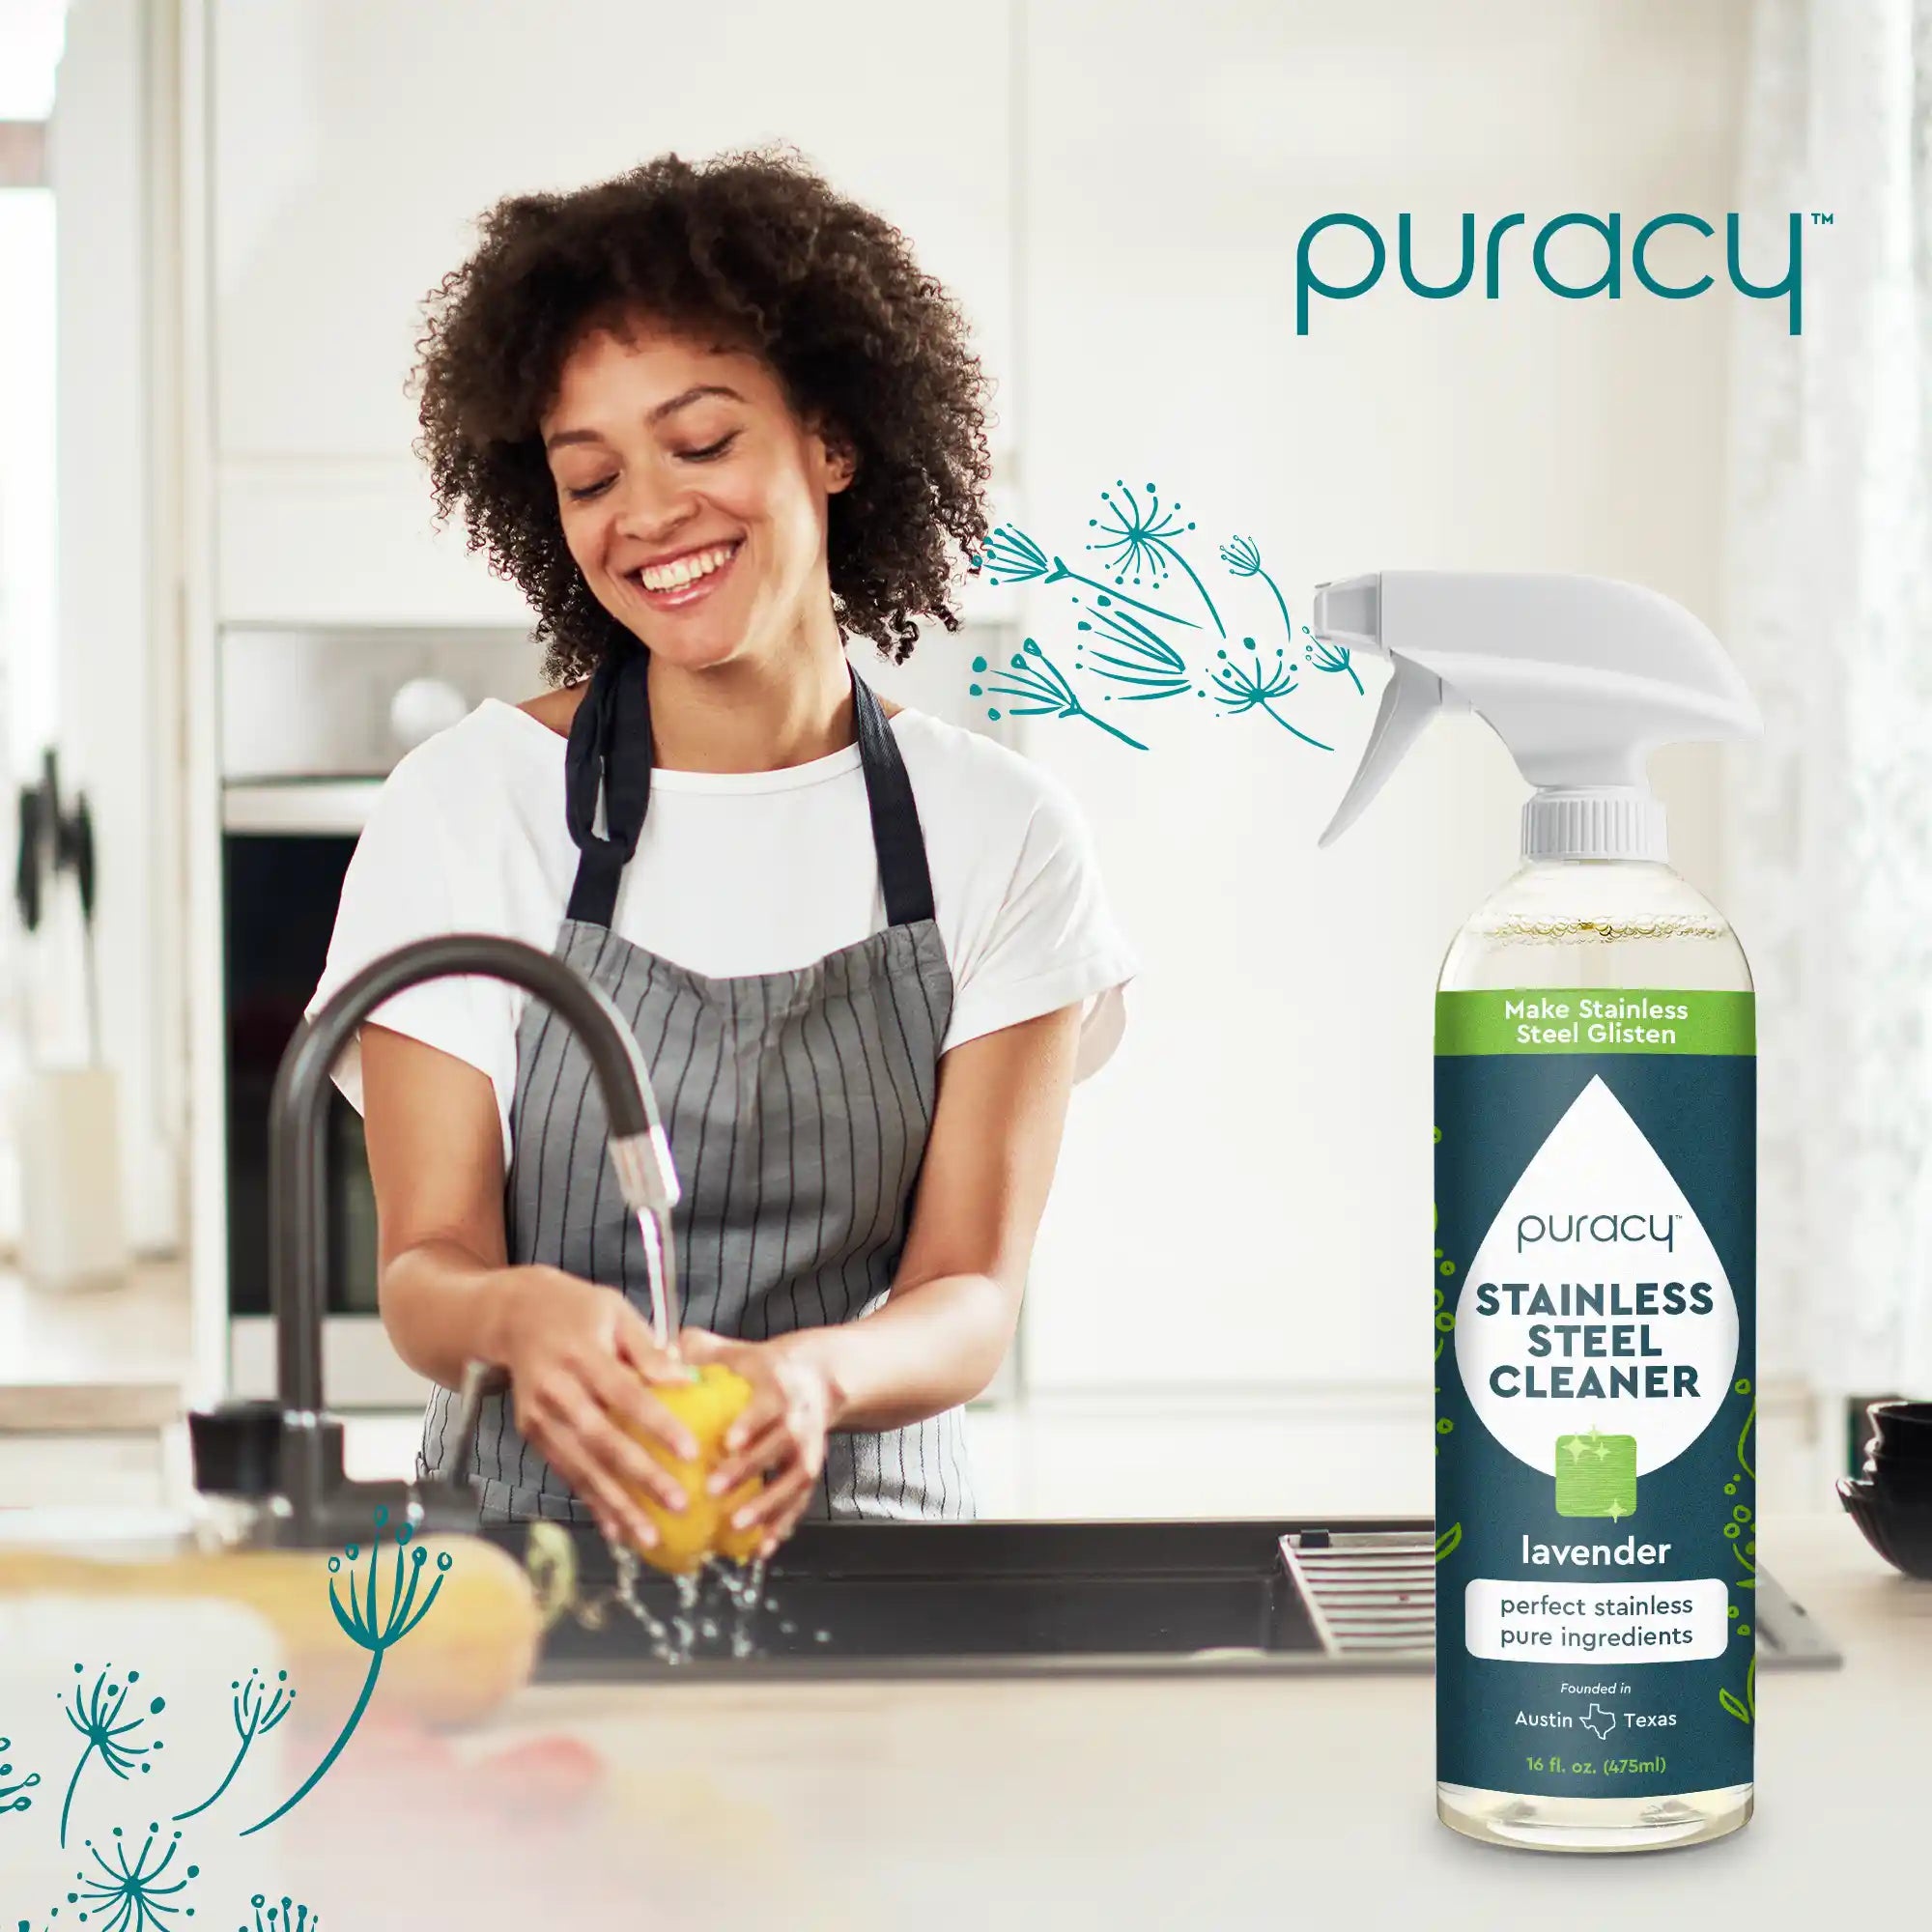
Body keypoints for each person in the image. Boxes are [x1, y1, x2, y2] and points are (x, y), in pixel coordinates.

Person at [308, 148, 1136, 1561]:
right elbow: (424, 1269)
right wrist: (515, 1315)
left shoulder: (1000, 832)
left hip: (886, 1565)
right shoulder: (466, 807)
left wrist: (811, 1379)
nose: (646, 517)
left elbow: (966, 1296)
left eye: (702, 445)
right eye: (589, 476)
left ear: (833, 434)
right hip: (520, 1572)